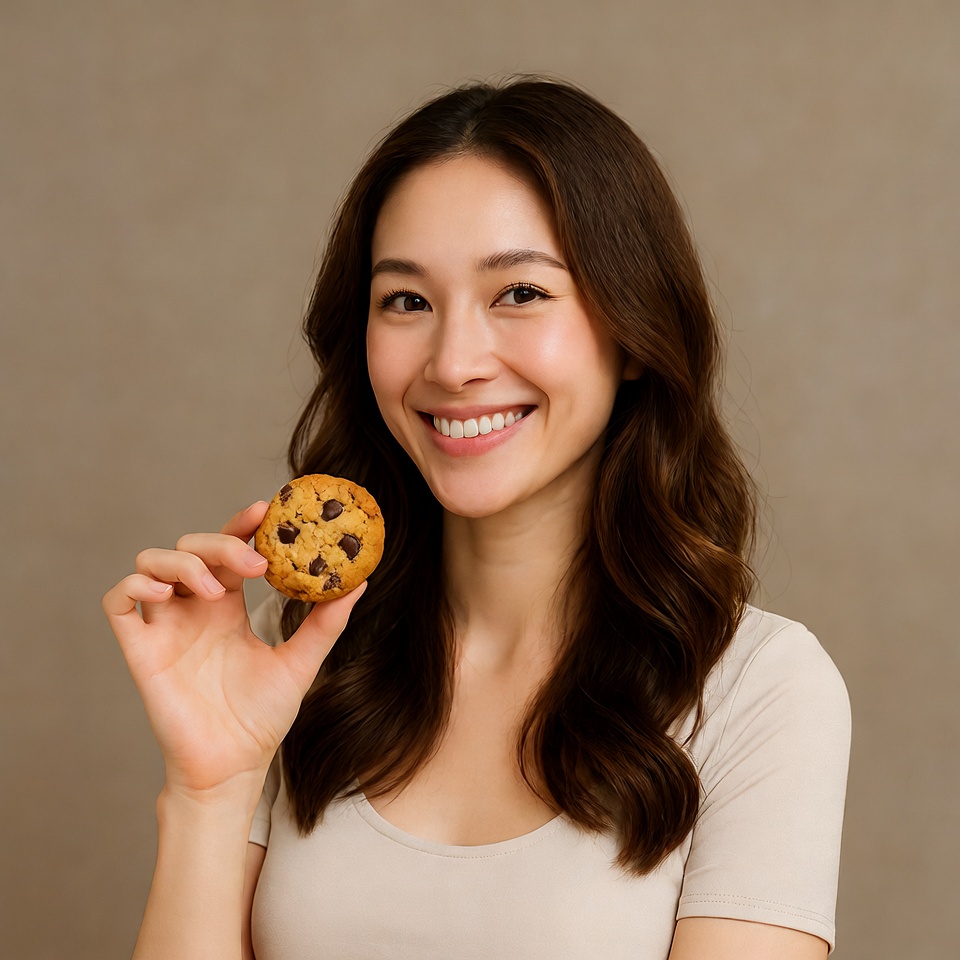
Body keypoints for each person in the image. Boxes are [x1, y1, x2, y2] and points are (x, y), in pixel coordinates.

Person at [103, 77, 851, 960]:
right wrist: (209, 790)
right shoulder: (295, 651)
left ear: (636, 331)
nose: (454, 362)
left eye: (521, 293)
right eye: (407, 301)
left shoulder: (757, 688)